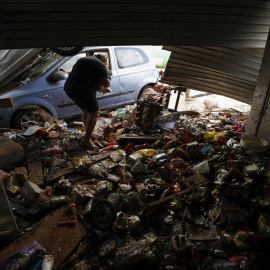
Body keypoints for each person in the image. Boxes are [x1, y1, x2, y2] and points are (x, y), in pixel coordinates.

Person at [64, 56, 111, 150]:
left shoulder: (84, 60)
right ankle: (86, 140)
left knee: (86, 110)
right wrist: (104, 87)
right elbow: (106, 83)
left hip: (69, 88)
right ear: (104, 62)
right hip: (82, 89)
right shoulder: (101, 65)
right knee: (95, 112)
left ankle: (87, 133)